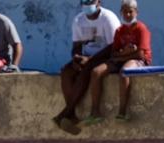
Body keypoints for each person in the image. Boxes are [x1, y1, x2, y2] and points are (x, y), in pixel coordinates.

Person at [54, 0, 120, 134]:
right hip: (86, 58)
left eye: (90, 1)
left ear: (98, 2)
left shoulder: (108, 18)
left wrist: (90, 60)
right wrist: (76, 58)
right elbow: (76, 46)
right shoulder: (78, 20)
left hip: (105, 57)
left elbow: (114, 47)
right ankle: (71, 115)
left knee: (87, 71)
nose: (87, 3)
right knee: (66, 71)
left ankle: (66, 113)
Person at [84, 0, 151, 123]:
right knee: (96, 72)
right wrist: (123, 53)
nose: (128, 15)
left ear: (136, 12)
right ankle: (95, 113)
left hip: (139, 61)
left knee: (124, 71)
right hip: (121, 58)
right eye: (125, 12)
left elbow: (140, 54)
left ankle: (122, 112)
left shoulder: (142, 29)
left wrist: (122, 55)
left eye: (130, 12)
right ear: (121, 13)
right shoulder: (120, 31)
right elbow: (113, 53)